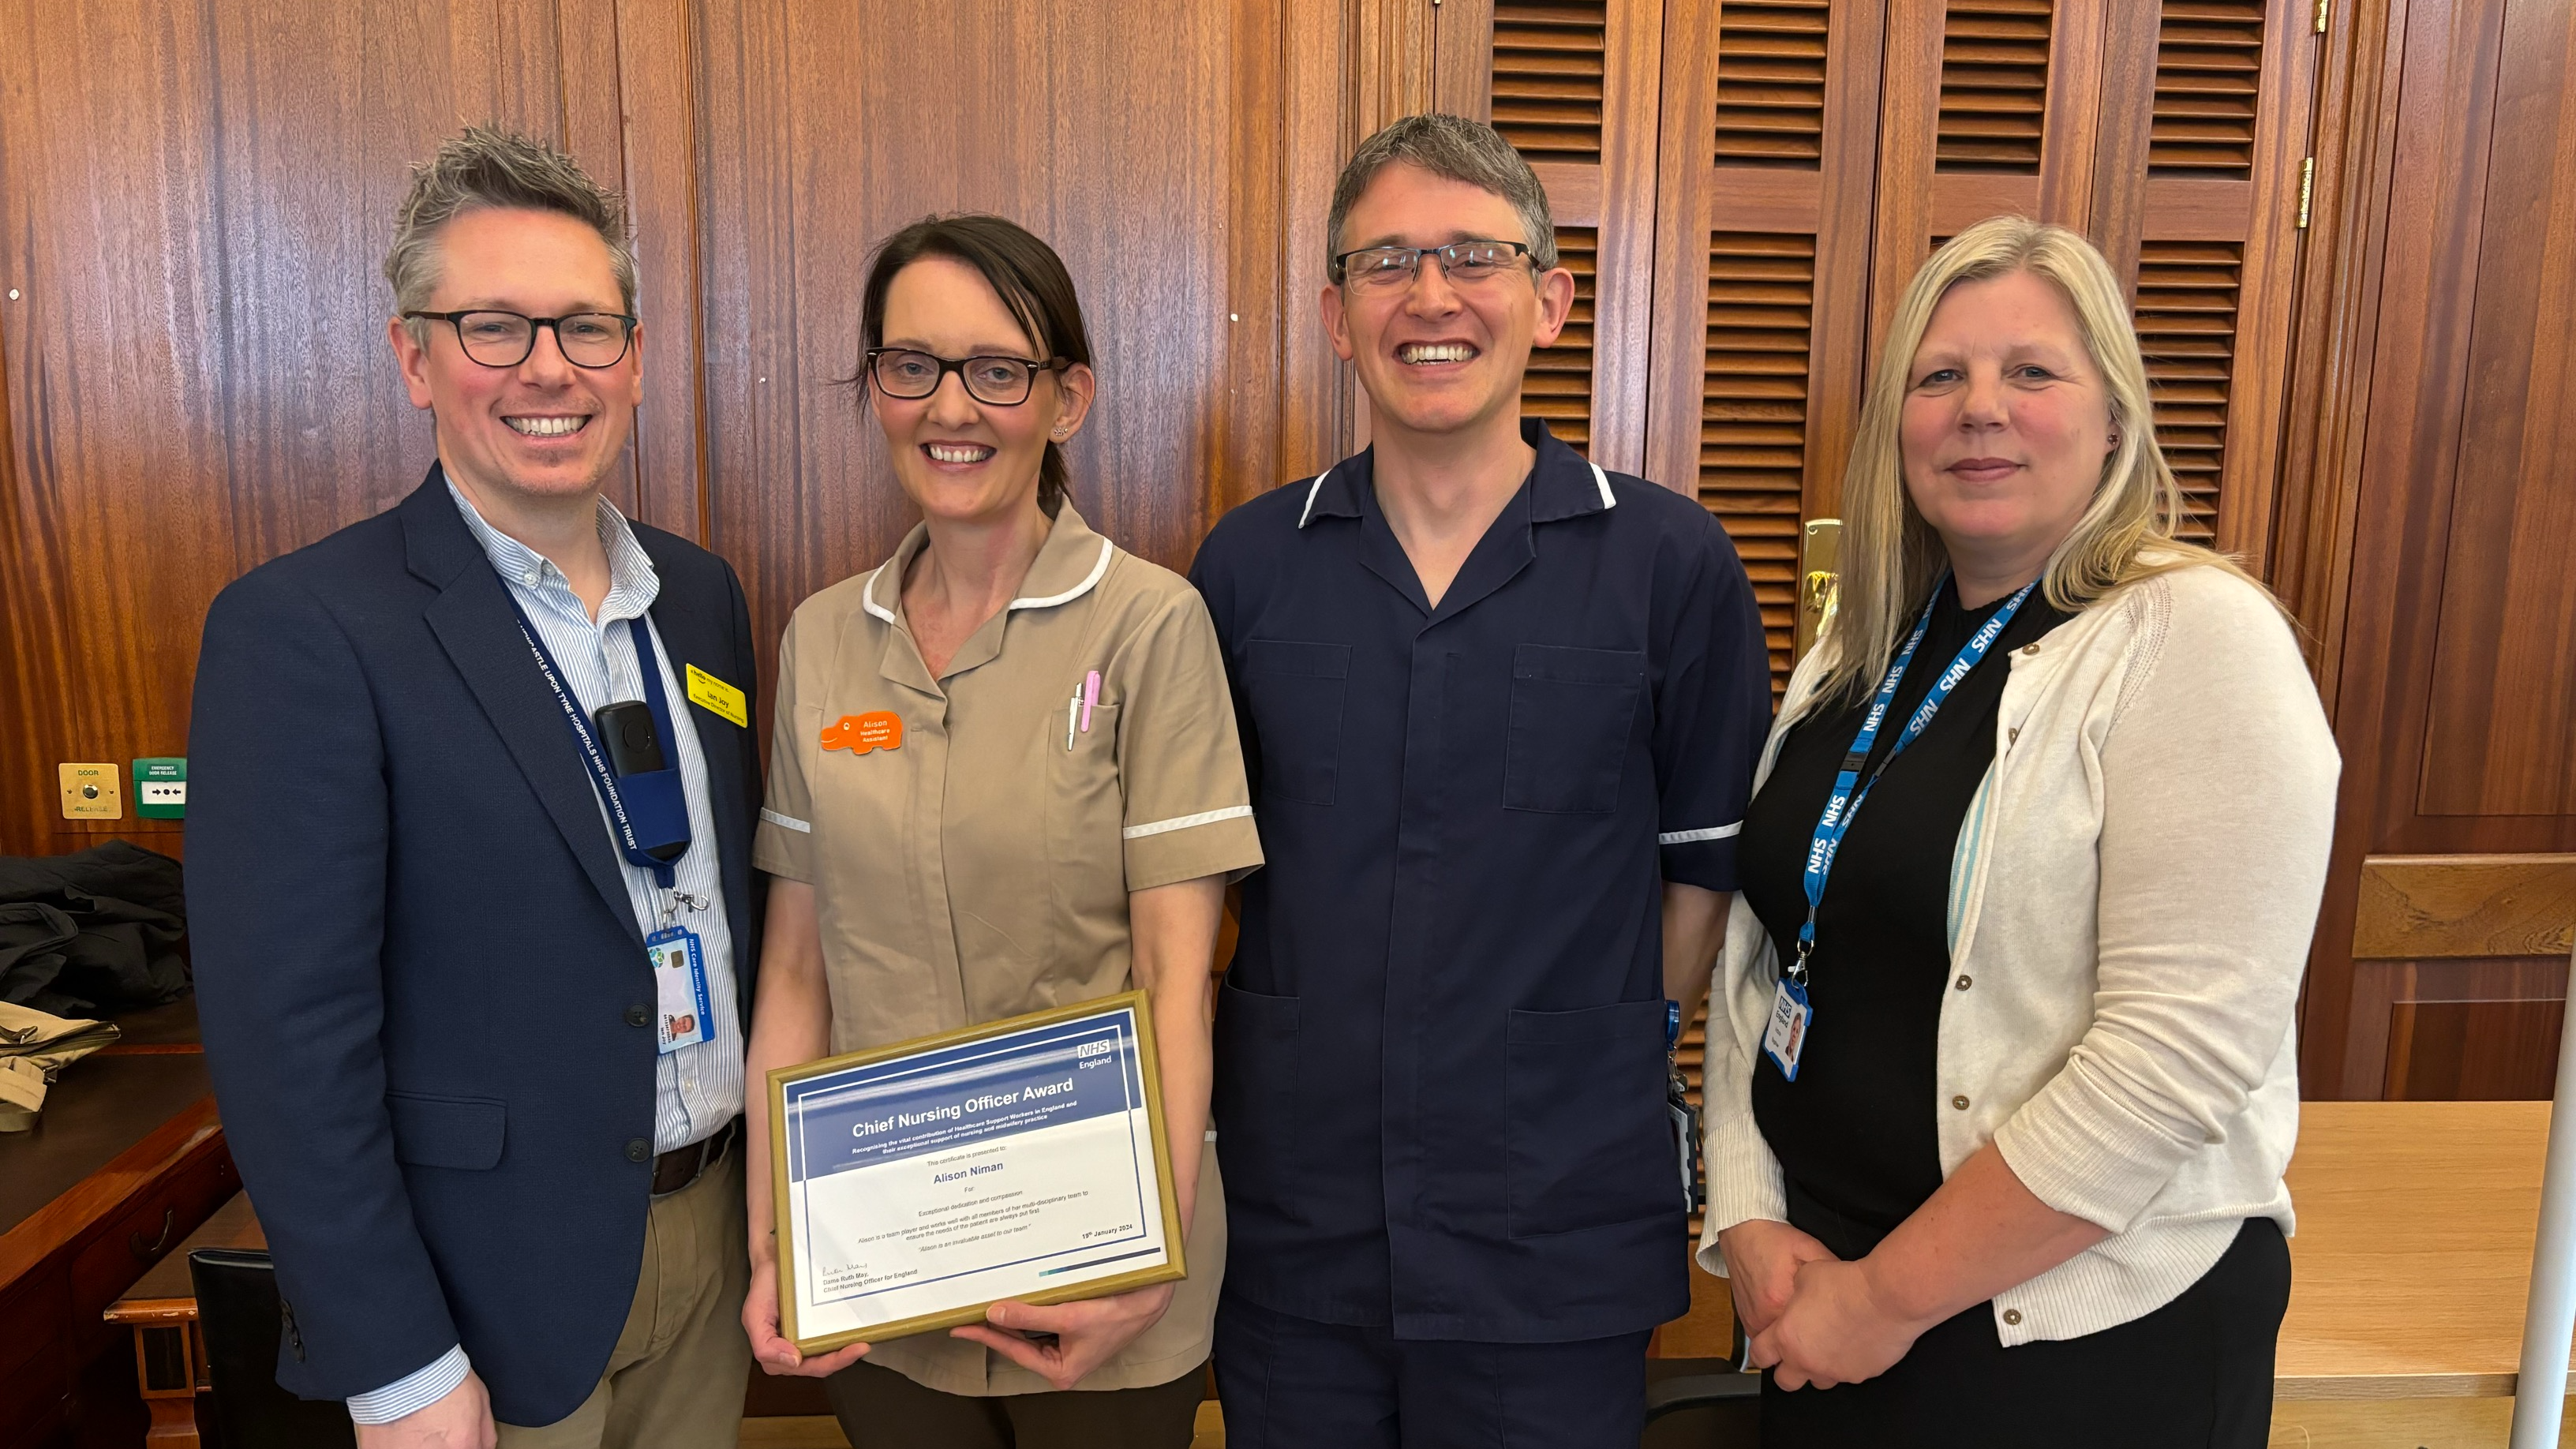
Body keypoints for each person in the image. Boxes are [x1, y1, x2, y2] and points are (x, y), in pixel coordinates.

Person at [1700, 215, 2339, 1446]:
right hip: (1819, 1305)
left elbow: (2173, 1063)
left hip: (2074, 1341)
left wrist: (1884, 1299)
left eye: (2032, 372)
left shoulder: (2200, 641)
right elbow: (1771, 947)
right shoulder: (1862, 645)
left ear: (2115, 420)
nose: (1980, 408)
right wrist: (1748, 1210)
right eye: (1941, 376)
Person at [1187, 114, 1773, 1447]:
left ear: (1551, 301)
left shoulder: (1670, 565)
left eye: (1474, 256)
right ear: (1336, 315)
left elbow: (1699, 882)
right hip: (1301, 1235)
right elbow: (1198, 890)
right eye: (1386, 262)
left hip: (1554, 1234)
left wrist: (1573, 1052)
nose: (1431, 296)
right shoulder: (1247, 567)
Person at [188, 127, 762, 1449]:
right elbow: (289, 1044)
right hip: (486, 1308)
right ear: (413, 358)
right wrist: (394, 1363)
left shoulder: (706, 600)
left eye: (586, 328)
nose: (549, 369)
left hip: (708, 1250)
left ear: (636, 356)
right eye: (493, 328)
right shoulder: (307, 628)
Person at [740, 214, 1261, 1449]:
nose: (949, 406)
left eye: (997, 369)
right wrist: (778, 1249)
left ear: (1066, 398)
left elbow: (1175, 977)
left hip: (1099, 1272)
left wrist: (1151, 1261)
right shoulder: (823, 640)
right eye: (909, 365)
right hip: (884, 1276)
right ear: (874, 385)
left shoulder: (1148, 627)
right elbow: (797, 974)